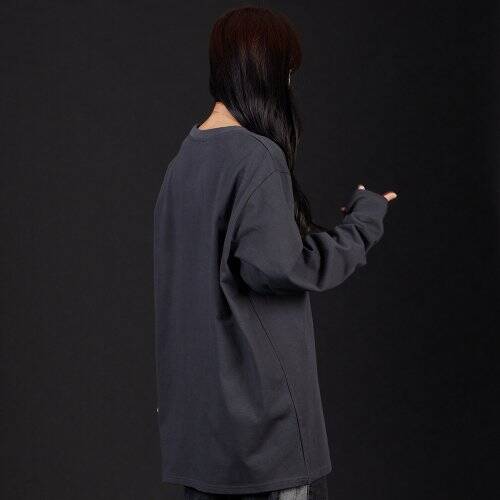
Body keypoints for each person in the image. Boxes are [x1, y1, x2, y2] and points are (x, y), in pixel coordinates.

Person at [153, 6, 397, 500]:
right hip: (265, 444)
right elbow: (284, 268)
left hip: (202, 443)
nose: (289, 84)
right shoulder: (255, 156)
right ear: (266, 71)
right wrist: (364, 222)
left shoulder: (183, 162)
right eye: (287, 71)